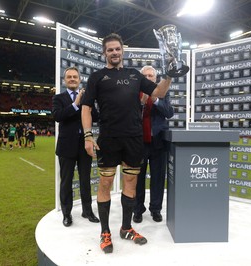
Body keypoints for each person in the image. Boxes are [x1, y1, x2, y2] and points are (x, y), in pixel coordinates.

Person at [81, 33, 172, 254]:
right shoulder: (97, 77)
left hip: (133, 138)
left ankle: (126, 228)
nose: (114, 53)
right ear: (104, 52)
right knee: (105, 183)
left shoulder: (134, 75)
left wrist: (169, 74)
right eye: (110, 49)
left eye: (117, 49)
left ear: (123, 52)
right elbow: (86, 108)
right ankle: (105, 232)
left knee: (130, 182)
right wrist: (87, 136)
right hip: (108, 139)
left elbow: (159, 92)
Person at [52, 66, 100, 227]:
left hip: (85, 145)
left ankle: (87, 210)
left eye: (75, 77)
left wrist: (93, 102)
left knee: (86, 179)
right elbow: (58, 116)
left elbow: (96, 116)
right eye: (69, 77)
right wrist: (76, 103)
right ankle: (67, 214)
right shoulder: (58, 98)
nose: (72, 79)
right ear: (65, 80)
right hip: (66, 146)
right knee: (66, 181)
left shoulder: (87, 97)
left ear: (80, 79)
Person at [133, 66, 174, 224]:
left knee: (158, 178)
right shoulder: (134, 92)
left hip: (158, 142)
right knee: (138, 178)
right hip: (138, 142)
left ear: (156, 78)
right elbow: (130, 115)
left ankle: (155, 209)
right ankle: (137, 210)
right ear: (141, 78)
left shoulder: (164, 92)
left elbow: (169, 112)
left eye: (151, 75)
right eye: (145, 75)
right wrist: (142, 104)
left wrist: (156, 99)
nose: (148, 77)